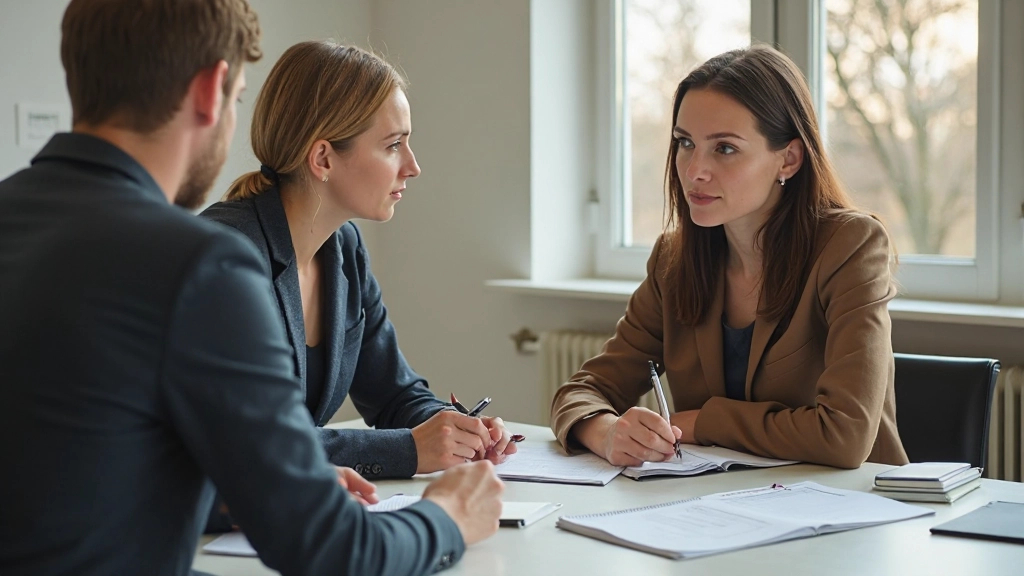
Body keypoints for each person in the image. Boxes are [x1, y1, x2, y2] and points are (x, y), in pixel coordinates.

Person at [0, 1, 502, 575]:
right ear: (213, 89)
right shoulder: (198, 263)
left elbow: (72, 465)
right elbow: (334, 552)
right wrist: (447, 517)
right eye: (239, 97)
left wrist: (237, 490)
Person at [550, 45, 909, 470]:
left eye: (724, 149)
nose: (694, 170)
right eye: (685, 143)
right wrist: (607, 431)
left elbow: (844, 437)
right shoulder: (674, 259)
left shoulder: (851, 245)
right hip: (716, 508)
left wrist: (702, 422)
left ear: (789, 159)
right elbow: (582, 391)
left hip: (853, 509)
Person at [201, 41, 517, 481]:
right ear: (323, 157)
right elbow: (255, 438)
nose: (413, 166)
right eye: (393, 145)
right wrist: (410, 450)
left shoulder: (343, 247)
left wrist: (457, 428)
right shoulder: (227, 255)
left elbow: (394, 394)